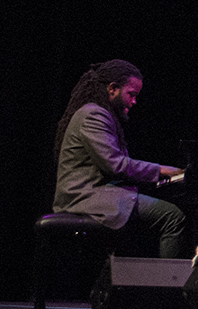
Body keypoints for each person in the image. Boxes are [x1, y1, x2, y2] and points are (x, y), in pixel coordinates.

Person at [53, 59, 189, 259]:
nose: (134, 102)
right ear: (113, 89)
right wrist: (162, 170)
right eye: (131, 94)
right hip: (84, 198)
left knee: (147, 221)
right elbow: (114, 165)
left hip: (97, 194)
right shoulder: (94, 115)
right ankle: (166, 288)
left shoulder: (99, 114)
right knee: (172, 217)